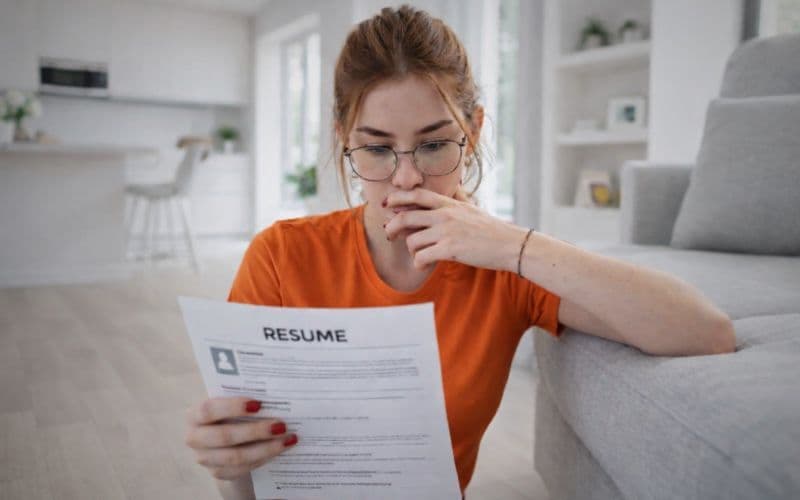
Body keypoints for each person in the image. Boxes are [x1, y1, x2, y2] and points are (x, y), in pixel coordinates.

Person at [184, 5, 737, 499]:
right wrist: (230, 467)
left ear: (471, 133)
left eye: (433, 144)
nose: (405, 178)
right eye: (376, 149)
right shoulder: (281, 256)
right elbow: (250, 488)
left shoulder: (506, 266)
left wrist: (515, 246)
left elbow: (705, 333)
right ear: (342, 139)